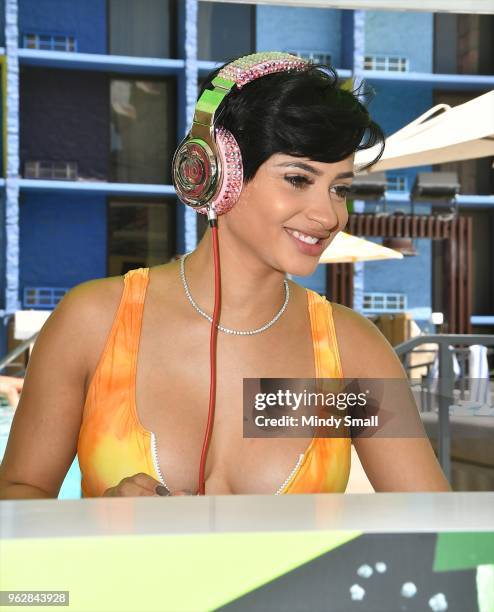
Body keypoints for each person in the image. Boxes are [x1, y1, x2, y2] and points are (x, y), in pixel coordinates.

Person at [0, 55, 451, 500]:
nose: (328, 214)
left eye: (340, 189)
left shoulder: (354, 351)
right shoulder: (92, 321)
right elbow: (17, 494)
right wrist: (97, 523)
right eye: (298, 178)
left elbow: (438, 531)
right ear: (217, 174)